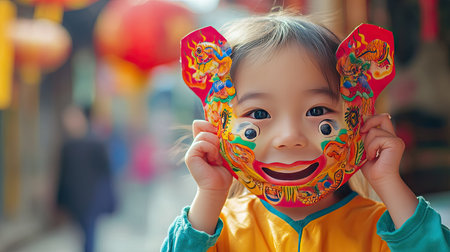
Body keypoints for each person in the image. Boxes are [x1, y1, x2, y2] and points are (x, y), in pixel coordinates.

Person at [162, 12, 450, 252]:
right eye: (259, 114)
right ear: (217, 129)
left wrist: (388, 181)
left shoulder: (386, 232)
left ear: (359, 119)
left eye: (316, 112)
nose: (289, 137)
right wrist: (210, 194)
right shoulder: (215, 231)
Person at [57, 106, 116, 252]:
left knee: (89, 235)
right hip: (74, 199)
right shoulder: (67, 146)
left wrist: (109, 197)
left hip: (92, 198)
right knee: (80, 234)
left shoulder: (96, 143)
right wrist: (60, 200)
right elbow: (63, 176)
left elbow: (106, 172)